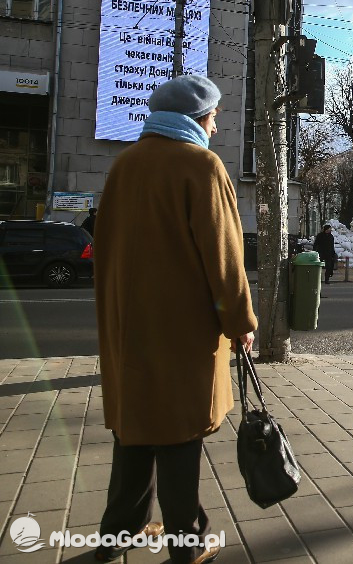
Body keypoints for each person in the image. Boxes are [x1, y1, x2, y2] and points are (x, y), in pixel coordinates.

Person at [93, 75, 256, 564]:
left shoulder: (126, 165)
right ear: (197, 117)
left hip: (127, 325)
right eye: (214, 113)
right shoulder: (200, 165)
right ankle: (189, 540)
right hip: (182, 330)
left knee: (136, 429)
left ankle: (118, 532)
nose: (217, 120)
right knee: (181, 434)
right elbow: (223, 260)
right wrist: (240, 322)